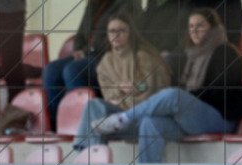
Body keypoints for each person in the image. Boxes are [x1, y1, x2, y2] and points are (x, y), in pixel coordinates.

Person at [91, 8, 242, 165]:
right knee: (150, 122)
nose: (194, 31)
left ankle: (123, 118)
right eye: (191, 27)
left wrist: (186, 97)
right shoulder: (188, 54)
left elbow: (219, 94)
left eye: (200, 26)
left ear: (213, 28)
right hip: (191, 118)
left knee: (173, 96)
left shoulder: (226, 53)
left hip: (219, 118)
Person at [73, 12, 172, 151]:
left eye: (121, 31)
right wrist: (120, 88)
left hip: (142, 119)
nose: (116, 35)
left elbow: (148, 92)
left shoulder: (143, 57)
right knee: (94, 107)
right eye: (112, 31)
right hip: (117, 118)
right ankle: (88, 158)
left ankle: (88, 162)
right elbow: (109, 97)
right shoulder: (105, 63)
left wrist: (122, 98)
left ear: (130, 33)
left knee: (98, 114)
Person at [42, 0, 139, 126]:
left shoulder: (126, 4)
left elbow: (117, 38)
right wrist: (78, 49)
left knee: (74, 70)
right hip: (88, 55)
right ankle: (57, 125)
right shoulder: (93, 4)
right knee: (51, 70)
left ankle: (81, 125)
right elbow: (80, 34)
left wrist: (87, 50)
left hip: (110, 56)